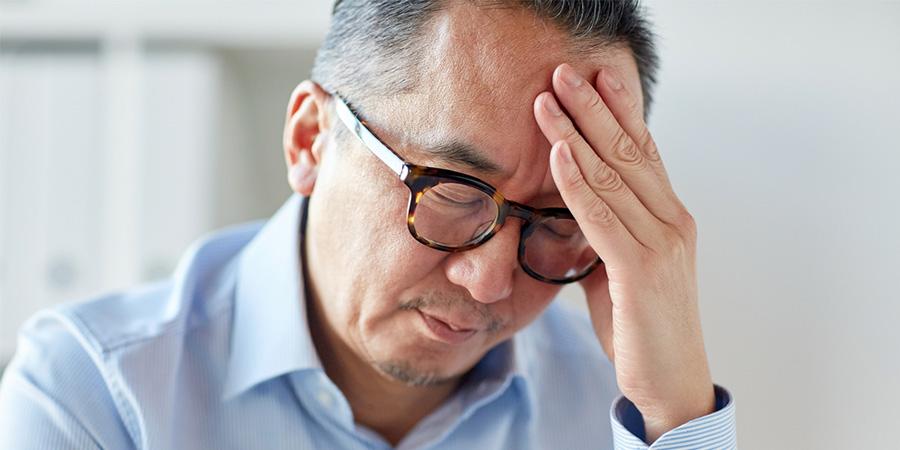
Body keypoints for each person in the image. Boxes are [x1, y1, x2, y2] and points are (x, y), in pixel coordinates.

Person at [0, 1, 737, 448]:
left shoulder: (616, 414)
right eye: (453, 190)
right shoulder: (95, 393)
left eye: (556, 219)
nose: (488, 281)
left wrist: (675, 416)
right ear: (310, 140)